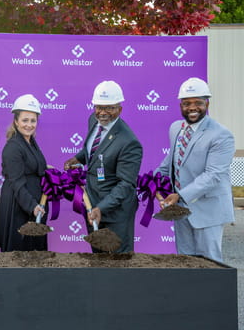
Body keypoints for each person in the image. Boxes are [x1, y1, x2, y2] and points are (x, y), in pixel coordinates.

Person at [156, 77, 235, 262]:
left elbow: (213, 175)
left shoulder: (221, 135)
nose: (192, 107)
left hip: (208, 211)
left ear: (207, 103)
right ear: (180, 105)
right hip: (182, 212)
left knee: (210, 266)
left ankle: (214, 293)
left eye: (198, 103)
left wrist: (180, 195)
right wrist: (155, 184)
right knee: (186, 264)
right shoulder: (176, 128)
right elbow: (171, 162)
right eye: (186, 103)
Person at [64, 80, 142, 253]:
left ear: (120, 109)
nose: (103, 113)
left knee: (118, 264)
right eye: (99, 107)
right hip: (92, 204)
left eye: (110, 108)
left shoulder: (129, 142)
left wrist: (102, 207)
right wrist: (78, 159)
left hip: (116, 213)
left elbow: (126, 185)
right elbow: (94, 151)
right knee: (98, 260)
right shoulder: (93, 120)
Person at [0, 94, 48, 252]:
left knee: (34, 253)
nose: (29, 125)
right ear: (16, 121)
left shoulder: (31, 142)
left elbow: (33, 166)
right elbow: (17, 182)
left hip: (33, 204)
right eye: (25, 120)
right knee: (19, 252)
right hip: (18, 206)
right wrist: (32, 206)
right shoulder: (13, 147)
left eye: (33, 120)